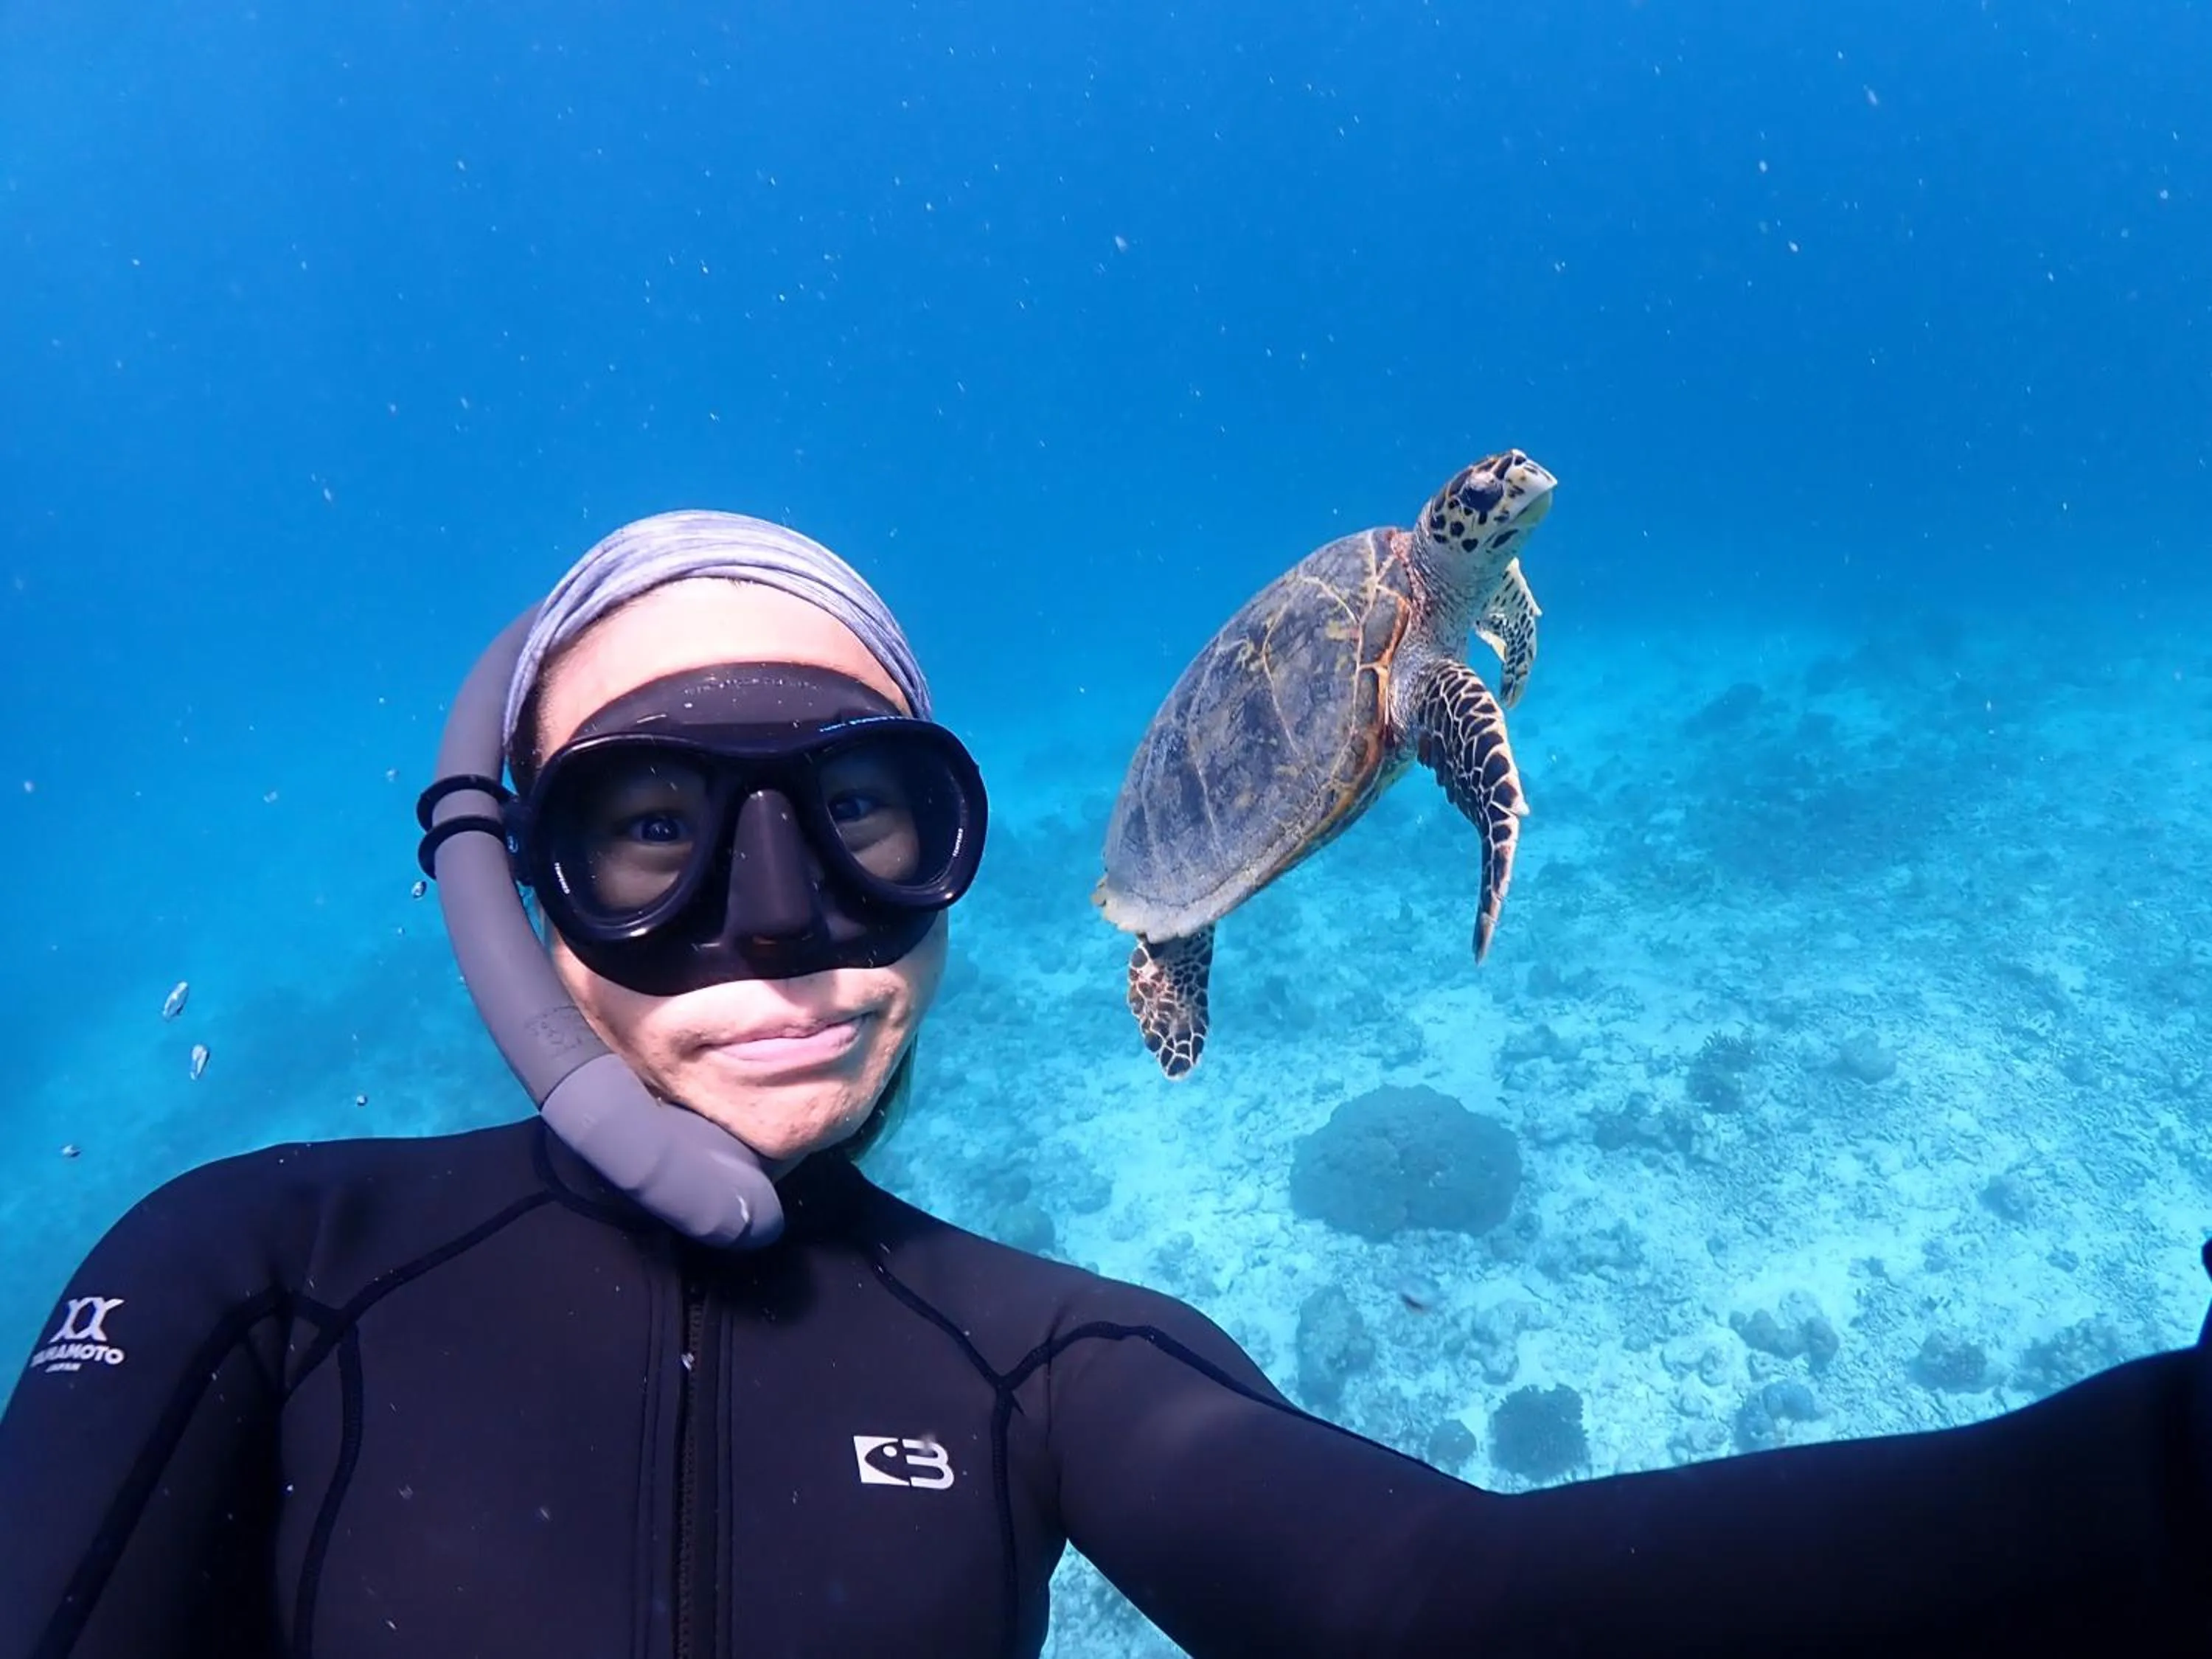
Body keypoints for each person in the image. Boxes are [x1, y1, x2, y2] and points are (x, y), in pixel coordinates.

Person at [1, 509, 2208, 1659]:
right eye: (655, 831)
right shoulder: (249, 1275)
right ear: (511, 885)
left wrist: (2174, 1468)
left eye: (867, 817)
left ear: (955, 863)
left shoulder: (1041, 1362)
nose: (782, 924)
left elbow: (1449, 1614)